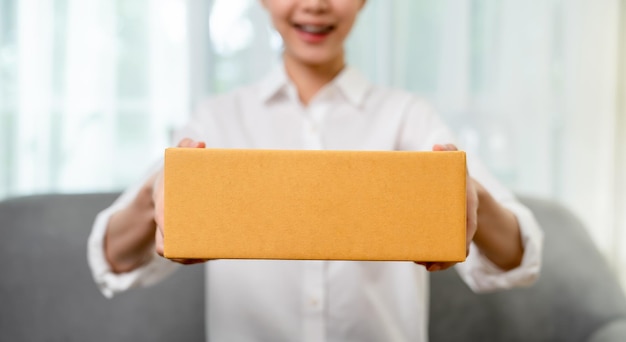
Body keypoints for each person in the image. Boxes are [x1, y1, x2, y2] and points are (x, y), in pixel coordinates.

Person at [88, 0, 543, 340]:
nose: (315, 4)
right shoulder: (216, 120)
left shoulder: (409, 118)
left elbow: (518, 256)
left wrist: (470, 198)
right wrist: (159, 194)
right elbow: (112, 256)